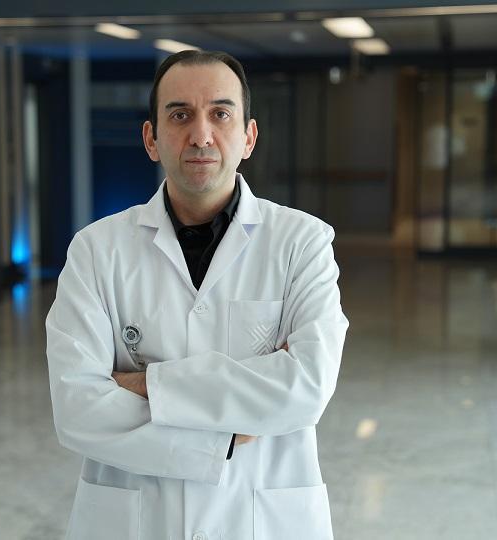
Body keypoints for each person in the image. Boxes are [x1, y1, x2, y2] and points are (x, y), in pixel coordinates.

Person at [46, 50, 348, 540]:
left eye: (221, 114)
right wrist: (223, 438)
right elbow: (77, 408)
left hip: (261, 516)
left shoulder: (302, 242)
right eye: (180, 115)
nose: (201, 135)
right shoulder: (97, 250)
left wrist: (146, 383)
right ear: (151, 138)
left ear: (248, 137)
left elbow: (306, 388)